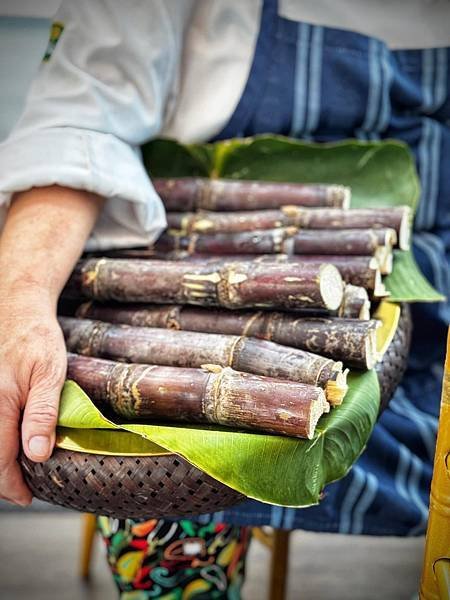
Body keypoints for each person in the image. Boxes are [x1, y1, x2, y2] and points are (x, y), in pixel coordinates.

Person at [0, 0, 449, 596]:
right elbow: (81, 110)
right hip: (175, 245)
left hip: (404, 249)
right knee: (165, 527)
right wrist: (19, 303)